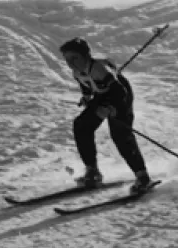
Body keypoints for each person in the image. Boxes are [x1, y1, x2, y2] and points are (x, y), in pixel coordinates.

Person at [60, 37, 153, 194]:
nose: (71, 63)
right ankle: (92, 171)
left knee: (120, 135)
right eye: (67, 59)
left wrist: (110, 108)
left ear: (86, 56)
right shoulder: (76, 71)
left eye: (75, 58)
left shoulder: (99, 69)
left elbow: (120, 91)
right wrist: (87, 97)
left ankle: (142, 176)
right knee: (81, 125)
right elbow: (86, 85)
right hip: (102, 97)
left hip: (121, 97)